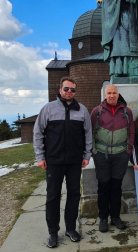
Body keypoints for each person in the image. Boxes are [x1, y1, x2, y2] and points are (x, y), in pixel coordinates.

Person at [33, 76, 92, 248]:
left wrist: (87, 155)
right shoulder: (48, 109)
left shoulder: (82, 110)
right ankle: (53, 232)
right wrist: (40, 157)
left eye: (72, 90)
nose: (69, 92)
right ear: (60, 90)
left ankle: (71, 228)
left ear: (75, 91)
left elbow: (88, 134)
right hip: (54, 162)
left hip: (75, 162)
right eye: (66, 89)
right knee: (53, 197)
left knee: (74, 195)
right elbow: (37, 133)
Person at [91, 84, 135, 233]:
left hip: (120, 155)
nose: (111, 95)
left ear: (118, 94)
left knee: (116, 187)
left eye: (114, 93)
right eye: (109, 93)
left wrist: (128, 151)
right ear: (105, 94)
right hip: (101, 155)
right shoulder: (96, 111)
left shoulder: (127, 112)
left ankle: (115, 217)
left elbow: (131, 132)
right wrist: (94, 152)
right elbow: (90, 132)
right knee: (103, 187)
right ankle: (103, 217)